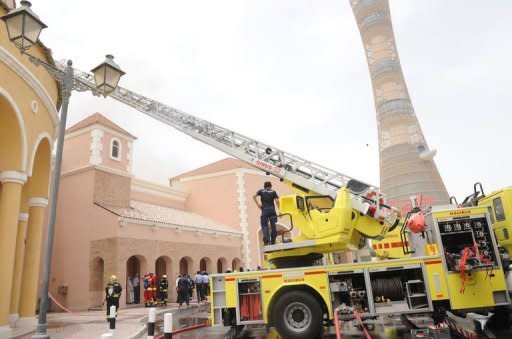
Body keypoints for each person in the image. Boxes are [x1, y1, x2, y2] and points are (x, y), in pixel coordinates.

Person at [253, 181, 280, 245]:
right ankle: (273, 240)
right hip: (272, 210)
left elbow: (254, 196)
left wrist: (258, 205)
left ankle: (265, 238)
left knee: (264, 225)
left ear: (264, 186)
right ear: (270, 186)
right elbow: (277, 201)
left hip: (264, 210)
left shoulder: (261, 191)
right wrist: (280, 210)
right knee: (273, 225)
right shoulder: (273, 192)